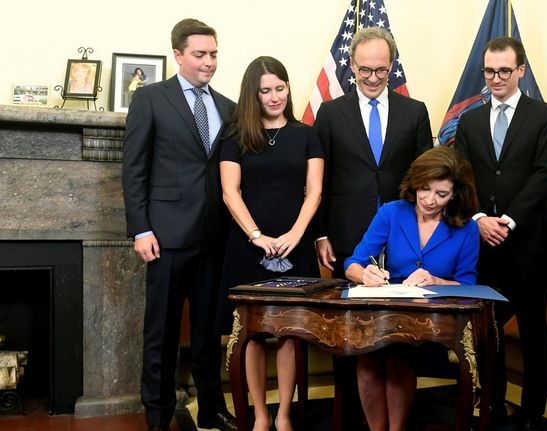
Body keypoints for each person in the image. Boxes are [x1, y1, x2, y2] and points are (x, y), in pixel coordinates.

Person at [122, 18, 237, 431]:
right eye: (200, 54)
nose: (209, 62)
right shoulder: (151, 99)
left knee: (208, 333)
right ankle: (156, 416)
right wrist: (141, 228)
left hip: (214, 239)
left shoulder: (228, 107)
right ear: (178, 55)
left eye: (214, 54)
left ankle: (210, 410)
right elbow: (134, 169)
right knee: (162, 335)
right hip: (165, 238)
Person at [453, 36, 547, 430]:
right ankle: (492, 406)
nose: (495, 78)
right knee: (487, 332)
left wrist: (510, 220)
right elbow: (461, 176)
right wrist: (481, 218)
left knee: (534, 333)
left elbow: (545, 173)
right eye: (489, 71)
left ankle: (533, 413)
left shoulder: (543, 115)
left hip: (529, 244)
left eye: (503, 71)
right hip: (482, 245)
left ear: (520, 70)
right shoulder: (469, 120)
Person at [218, 56, 324, 431]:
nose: (275, 96)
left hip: (296, 242)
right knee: (252, 336)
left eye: (280, 88)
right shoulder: (235, 137)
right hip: (248, 245)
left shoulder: (307, 133)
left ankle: (283, 415)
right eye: (266, 90)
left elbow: (314, 190)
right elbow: (231, 193)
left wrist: (296, 235)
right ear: (253, 94)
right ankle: (260, 415)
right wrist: (257, 236)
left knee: (290, 333)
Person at [344, 146, 480, 431]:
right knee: (367, 359)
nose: (430, 200)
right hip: (387, 311)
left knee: (397, 356)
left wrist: (436, 281)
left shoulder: (466, 228)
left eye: (441, 194)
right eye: (424, 190)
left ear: (455, 193)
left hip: (435, 320)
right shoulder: (392, 213)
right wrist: (364, 274)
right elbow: (353, 263)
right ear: (414, 184)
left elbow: (468, 285)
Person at [313, 26, 433, 279]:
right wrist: (321, 234)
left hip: (404, 235)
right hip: (346, 235)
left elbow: (426, 178)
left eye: (381, 70)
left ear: (391, 65)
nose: (373, 78)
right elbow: (319, 181)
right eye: (365, 69)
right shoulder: (330, 114)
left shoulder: (415, 112)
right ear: (352, 65)